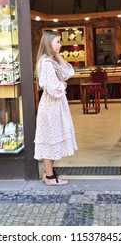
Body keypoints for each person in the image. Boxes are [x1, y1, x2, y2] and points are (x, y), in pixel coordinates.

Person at [34, 31, 78, 186]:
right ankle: (50, 177)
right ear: (48, 43)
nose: (60, 44)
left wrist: (57, 55)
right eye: (57, 42)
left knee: (51, 138)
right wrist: (63, 85)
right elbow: (53, 88)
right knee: (49, 139)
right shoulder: (46, 63)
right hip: (51, 105)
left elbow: (69, 72)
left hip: (54, 105)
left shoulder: (50, 60)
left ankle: (49, 174)